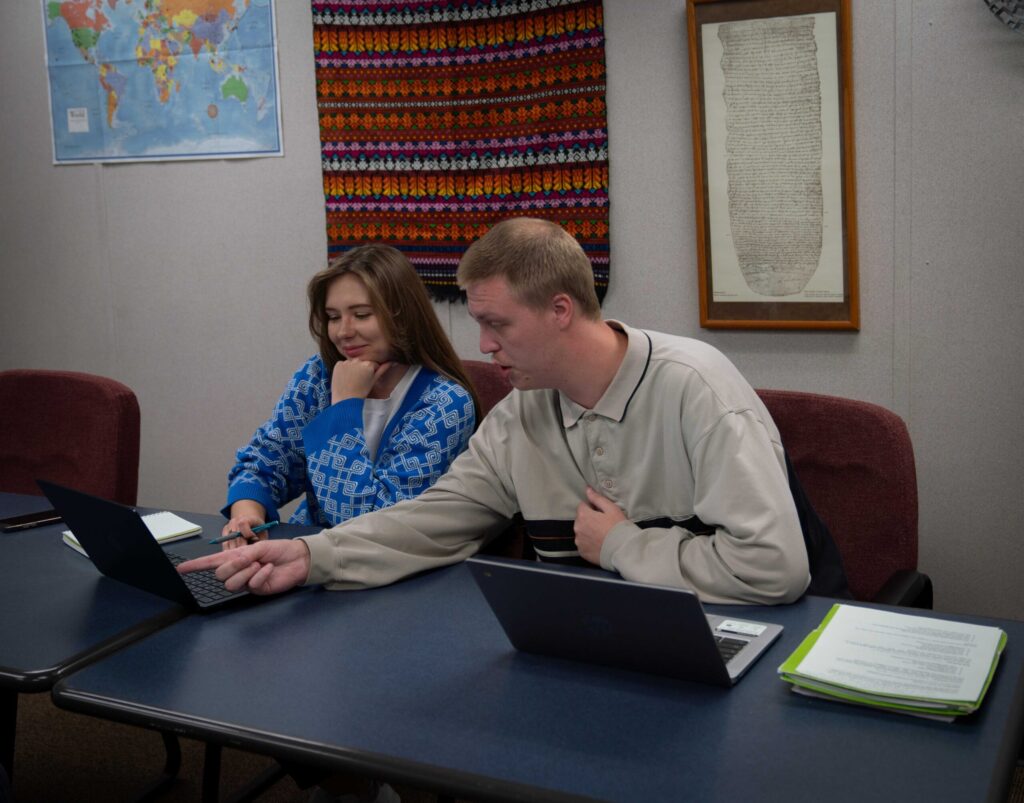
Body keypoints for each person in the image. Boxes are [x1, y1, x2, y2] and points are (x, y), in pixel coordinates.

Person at [182, 218, 847, 604]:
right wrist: (310, 553)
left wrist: (622, 544)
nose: (484, 346)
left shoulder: (695, 388)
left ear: (560, 310)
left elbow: (773, 568)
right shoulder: (523, 413)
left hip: (752, 636)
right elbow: (433, 521)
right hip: (612, 638)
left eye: (497, 324)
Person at [219, 244, 479, 544]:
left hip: (388, 568)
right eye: (333, 317)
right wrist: (247, 512)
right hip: (305, 556)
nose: (343, 331)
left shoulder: (445, 404)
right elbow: (265, 459)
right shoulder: (318, 375)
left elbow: (368, 525)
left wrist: (343, 407)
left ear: (402, 315)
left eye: (361, 314)